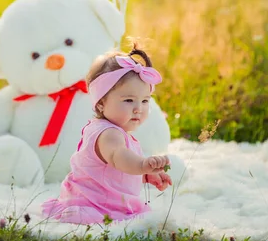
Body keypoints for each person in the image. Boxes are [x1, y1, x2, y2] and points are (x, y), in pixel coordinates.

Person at [42, 47, 172, 224]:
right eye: (128, 100)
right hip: (95, 205)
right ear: (101, 103)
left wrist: (144, 174)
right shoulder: (108, 134)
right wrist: (142, 164)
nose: (138, 108)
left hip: (102, 200)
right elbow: (117, 157)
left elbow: (114, 172)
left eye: (144, 101)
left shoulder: (114, 131)